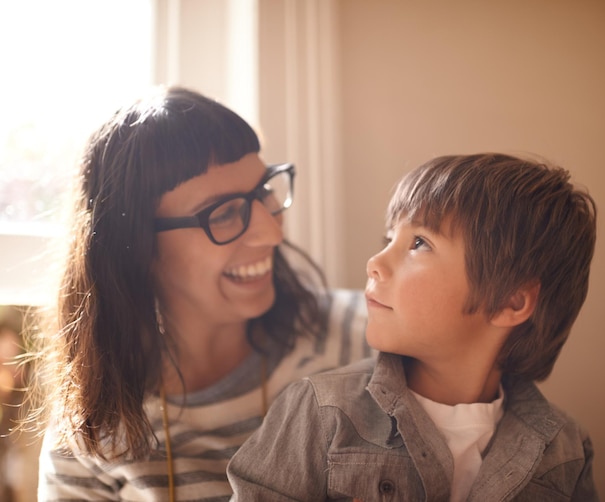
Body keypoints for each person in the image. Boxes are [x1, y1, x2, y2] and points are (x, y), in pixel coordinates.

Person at [24, 86, 371, 501]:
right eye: (224, 213)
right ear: (137, 247)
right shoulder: (90, 440)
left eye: (264, 192)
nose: (272, 232)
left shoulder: (368, 339)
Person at [227, 153, 599, 501]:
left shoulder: (566, 450)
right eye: (390, 239)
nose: (375, 261)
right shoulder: (320, 412)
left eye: (419, 243)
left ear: (510, 303)